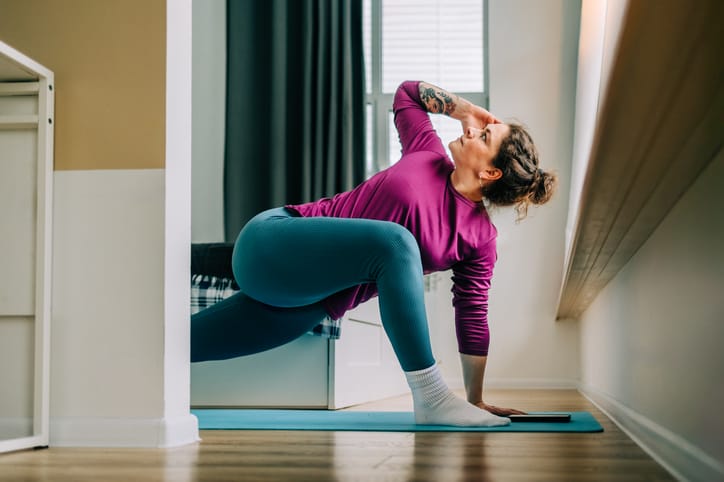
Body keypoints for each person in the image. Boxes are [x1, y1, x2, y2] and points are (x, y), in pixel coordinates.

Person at [191, 81, 557, 427]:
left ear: (491, 171)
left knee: (180, 345)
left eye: (484, 135)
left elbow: (472, 313)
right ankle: (430, 397)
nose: (472, 130)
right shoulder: (426, 152)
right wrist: (465, 109)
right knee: (397, 243)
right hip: (272, 241)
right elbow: (407, 94)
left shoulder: (479, 238)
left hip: (303, 304)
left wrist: (475, 400)